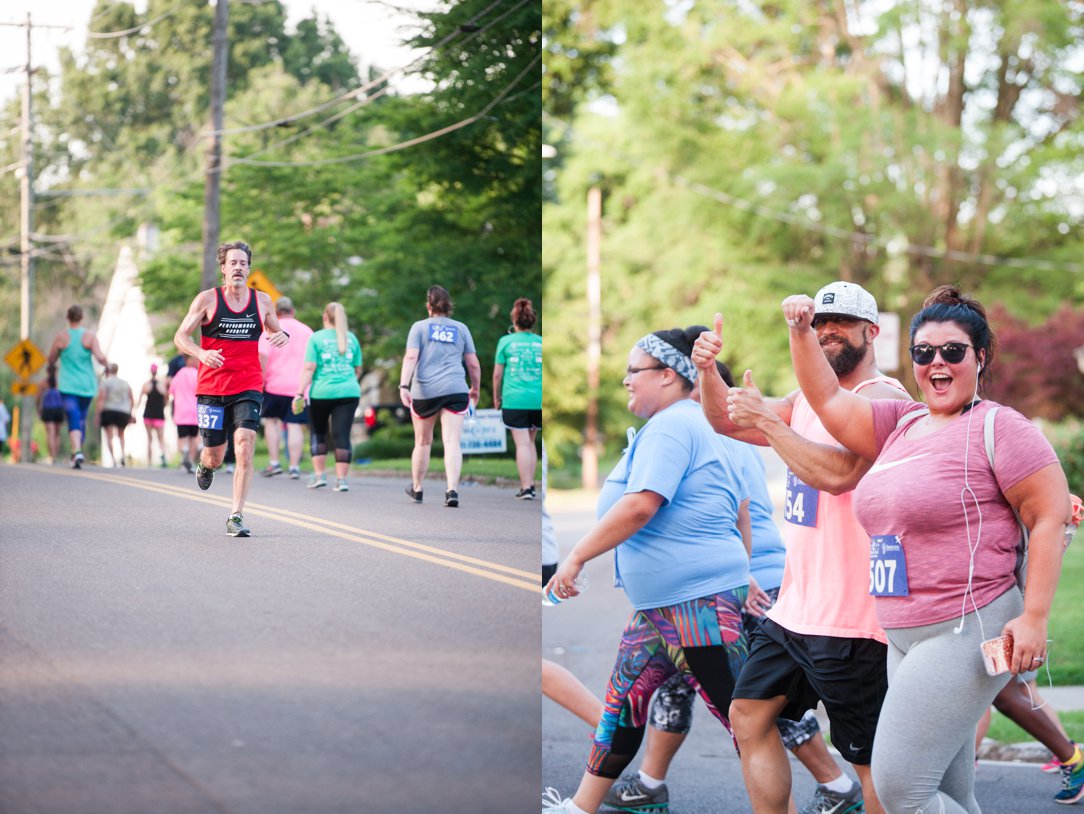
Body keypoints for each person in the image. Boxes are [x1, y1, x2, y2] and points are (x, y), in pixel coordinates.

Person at [782, 284, 1075, 810]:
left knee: (899, 790)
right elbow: (825, 398)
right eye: (924, 352)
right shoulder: (901, 423)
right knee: (947, 792)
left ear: (979, 358)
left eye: (953, 351)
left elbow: (1049, 518)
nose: (937, 362)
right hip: (902, 633)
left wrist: (1034, 617)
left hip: (967, 624)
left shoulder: (1001, 427)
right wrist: (801, 332)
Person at [691, 282, 911, 814]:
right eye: (820, 324)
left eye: (841, 323)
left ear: (871, 332)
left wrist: (768, 421)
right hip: (796, 612)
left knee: (868, 759)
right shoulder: (805, 401)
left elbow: (836, 475)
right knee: (748, 715)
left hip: (854, 620)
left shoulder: (884, 399)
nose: (828, 331)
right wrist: (707, 371)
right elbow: (724, 419)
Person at [604, 358, 859, 814]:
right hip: (733, 581)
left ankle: (836, 784)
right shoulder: (718, 434)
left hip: (742, 582)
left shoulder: (708, 434)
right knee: (678, 686)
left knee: (756, 701)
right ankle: (649, 782)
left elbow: (725, 513)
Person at [541, 327, 752, 814]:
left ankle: (829, 787)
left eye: (633, 371)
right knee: (622, 709)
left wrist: (576, 556)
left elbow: (640, 506)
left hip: (695, 607)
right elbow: (735, 509)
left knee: (748, 723)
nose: (626, 380)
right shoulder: (687, 424)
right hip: (662, 608)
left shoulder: (674, 425)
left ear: (668, 375)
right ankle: (579, 808)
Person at [173, 240, 290, 537]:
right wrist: (201, 353)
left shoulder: (262, 301)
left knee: (244, 444)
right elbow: (180, 336)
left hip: (248, 384)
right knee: (215, 455)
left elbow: (276, 331)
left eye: (243, 263)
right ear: (223, 269)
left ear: (248, 269)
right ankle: (205, 465)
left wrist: (282, 336)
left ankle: (236, 515)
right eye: (233, 263)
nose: (238, 268)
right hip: (212, 387)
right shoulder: (207, 300)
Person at [398, 285, 481, 508]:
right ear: (448, 306)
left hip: (425, 392)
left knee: (422, 441)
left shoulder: (419, 327)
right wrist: (475, 388)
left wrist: (404, 385)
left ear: (429, 306)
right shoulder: (461, 328)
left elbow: (410, 357)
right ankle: (452, 490)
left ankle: (417, 488)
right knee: (452, 441)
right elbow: (473, 363)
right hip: (456, 389)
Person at [294, 302, 361, 492]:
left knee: (318, 432)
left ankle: (319, 476)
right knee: (342, 435)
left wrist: (299, 393)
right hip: (349, 392)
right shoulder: (351, 338)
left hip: (321, 393)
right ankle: (342, 480)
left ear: (325, 317)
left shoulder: (316, 338)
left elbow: (309, 368)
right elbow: (357, 369)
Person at [47, 304, 109, 468]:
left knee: (73, 416)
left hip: (68, 385)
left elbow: (51, 359)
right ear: (81, 318)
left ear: (68, 318)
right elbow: (100, 357)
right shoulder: (89, 336)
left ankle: (77, 451)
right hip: (86, 385)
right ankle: (77, 451)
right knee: (80, 418)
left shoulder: (61, 337)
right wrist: (108, 365)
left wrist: (57, 359)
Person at [259, 296, 313, 479]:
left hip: (274, 385)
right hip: (300, 387)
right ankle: (294, 467)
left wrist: (261, 380)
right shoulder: (307, 331)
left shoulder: (270, 329)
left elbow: (263, 356)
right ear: (293, 311)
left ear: (276, 312)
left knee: (271, 422)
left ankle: (274, 463)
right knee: (294, 425)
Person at [494, 297, 543, 499]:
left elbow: (497, 375)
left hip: (515, 399)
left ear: (514, 321)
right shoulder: (540, 342)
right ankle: (531, 484)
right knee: (530, 442)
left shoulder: (506, 342)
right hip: (538, 400)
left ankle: (526, 487)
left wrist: (496, 397)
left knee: (522, 444)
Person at [97, 364, 134, 467]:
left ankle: (113, 459)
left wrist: (98, 413)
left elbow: (101, 398)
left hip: (109, 410)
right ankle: (122, 455)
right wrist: (130, 412)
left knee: (109, 436)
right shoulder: (125, 383)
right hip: (123, 411)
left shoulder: (106, 382)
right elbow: (131, 399)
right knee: (121, 435)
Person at [168, 354, 200, 473]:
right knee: (193, 438)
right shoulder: (197, 374)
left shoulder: (178, 375)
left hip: (181, 412)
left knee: (182, 437)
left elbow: (171, 391)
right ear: (189, 360)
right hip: (194, 412)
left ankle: (184, 451)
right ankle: (190, 461)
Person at [139, 364, 169, 468]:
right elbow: (166, 399)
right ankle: (163, 458)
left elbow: (140, 399)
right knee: (161, 438)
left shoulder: (146, 385)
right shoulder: (162, 385)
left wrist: (134, 412)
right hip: (159, 414)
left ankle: (149, 462)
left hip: (148, 414)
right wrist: (163, 407)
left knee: (149, 439)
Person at [38, 365, 65, 463]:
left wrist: (38, 409)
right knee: (57, 434)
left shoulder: (43, 383)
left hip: (48, 409)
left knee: (50, 433)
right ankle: (55, 455)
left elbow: (38, 397)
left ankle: (52, 456)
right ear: (57, 371)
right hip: (59, 409)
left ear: (47, 372)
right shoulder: (61, 383)